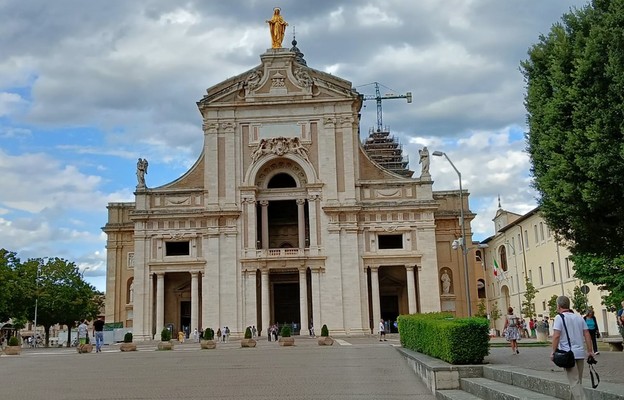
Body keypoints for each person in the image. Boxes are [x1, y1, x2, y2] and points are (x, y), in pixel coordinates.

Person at [551, 296, 594, 400]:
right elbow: (587, 334)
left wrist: (553, 351)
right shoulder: (579, 317)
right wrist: (590, 351)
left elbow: (556, 336)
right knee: (577, 381)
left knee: (574, 382)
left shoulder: (559, 318)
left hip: (568, 355)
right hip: (580, 353)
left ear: (559, 306)